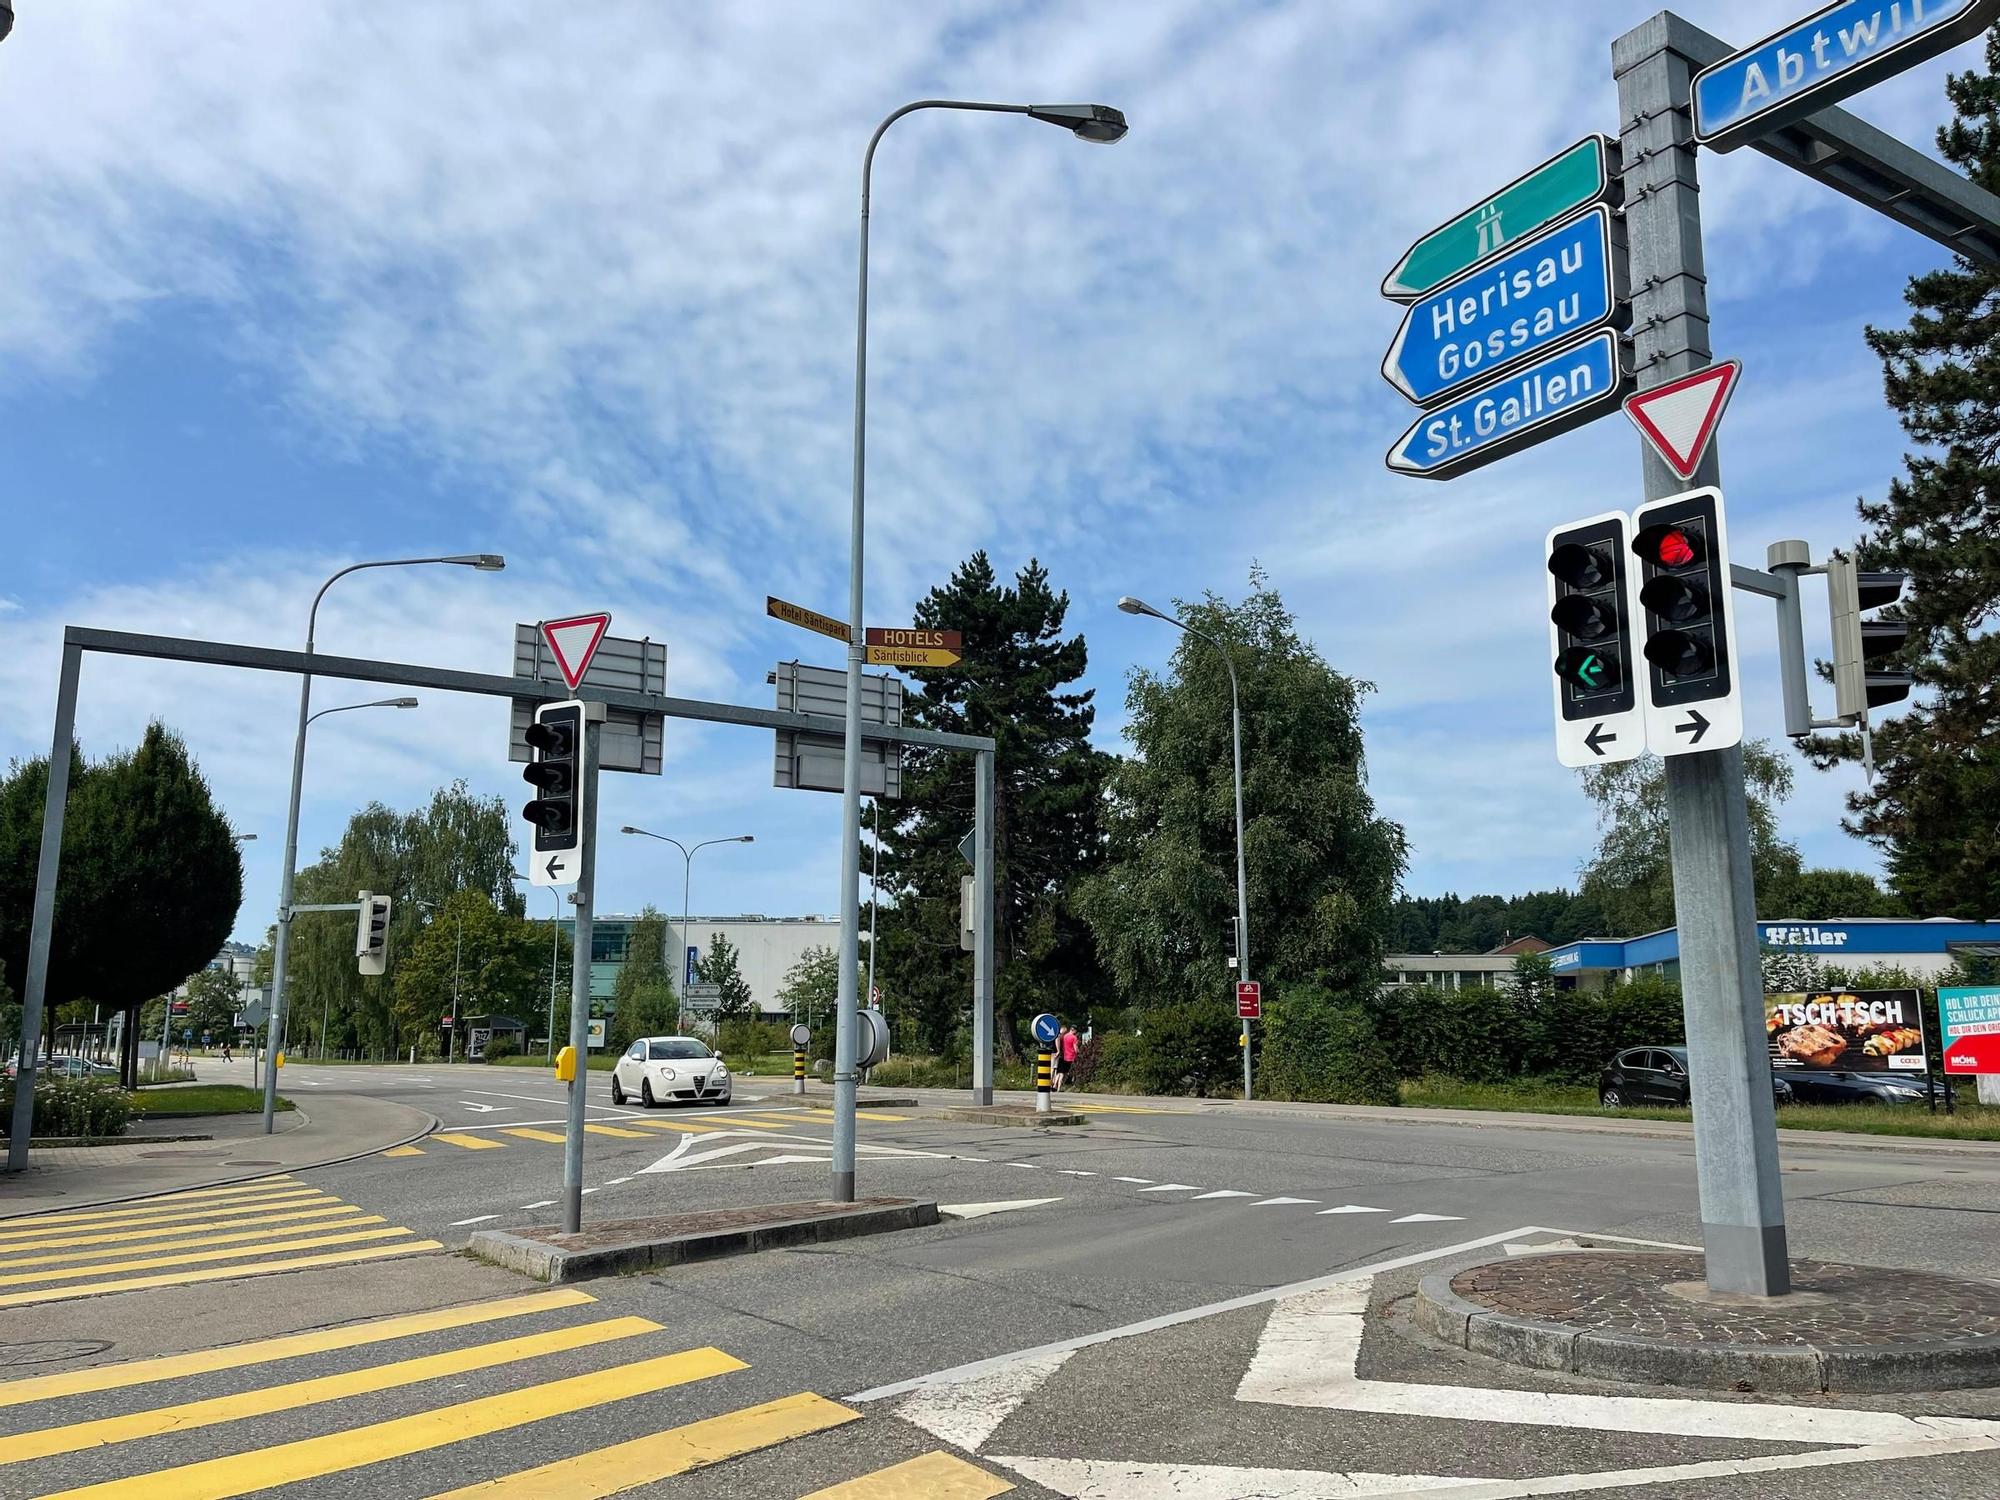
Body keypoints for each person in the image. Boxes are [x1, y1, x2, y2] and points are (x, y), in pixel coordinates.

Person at [1056, 1022, 1080, 1092]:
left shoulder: (1064, 1036)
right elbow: (1075, 1049)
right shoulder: (1074, 1038)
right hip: (1072, 1057)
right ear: (1075, 1030)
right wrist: (1079, 1051)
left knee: (1060, 1072)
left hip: (1064, 1056)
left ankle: (1055, 1086)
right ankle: (1067, 1085)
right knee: (1070, 1072)